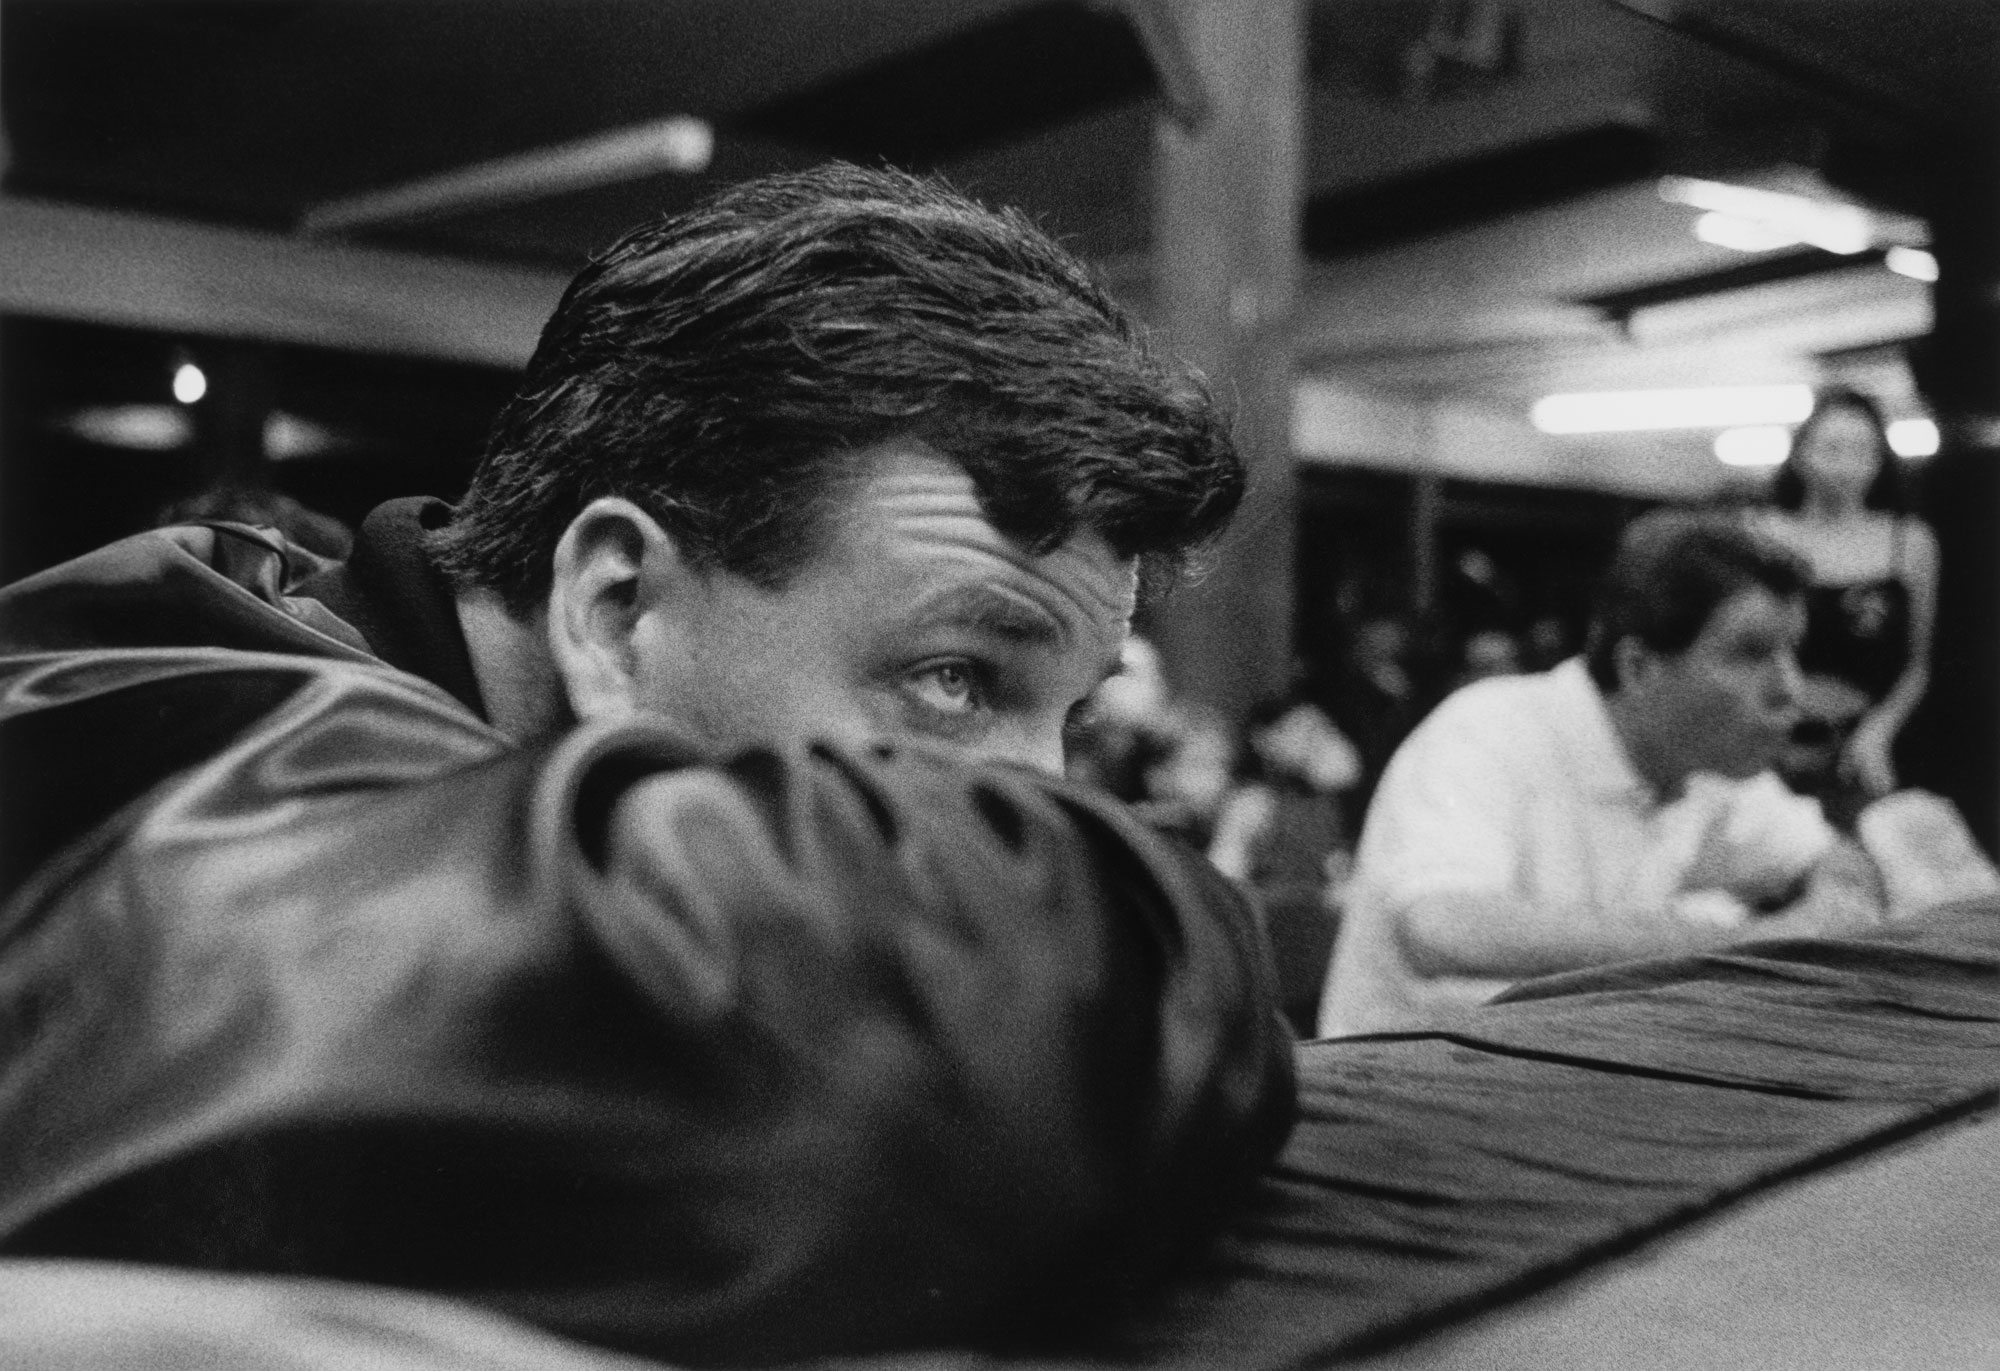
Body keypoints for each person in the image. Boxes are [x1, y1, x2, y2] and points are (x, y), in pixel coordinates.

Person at [0, 166, 1293, 1364]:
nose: (1041, 796)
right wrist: (1161, 922)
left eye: (1070, 715)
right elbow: (946, 1016)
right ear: (617, 609)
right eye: (955, 677)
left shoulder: (289, 661)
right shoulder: (184, 717)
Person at [1316, 509, 1888, 1038]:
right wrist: (1745, 945)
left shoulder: (1713, 767)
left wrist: (1831, 904)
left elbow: (1835, 859)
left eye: (1792, 652)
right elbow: (1443, 928)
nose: (1790, 688)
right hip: (1399, 1096)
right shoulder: (1487, 728)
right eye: (1751, 653)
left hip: (1567, 1081)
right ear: (1638, 666)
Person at [1749, 385, 1938, 804]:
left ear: (1880, 460)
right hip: (1778, 742)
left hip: (1870, 745)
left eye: (1863, 451)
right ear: (1800, 455)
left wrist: (1879, 730)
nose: (1847, 466)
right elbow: (1748, 649)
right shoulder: (1762, 534)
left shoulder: (1909, 540)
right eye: (1831, 449)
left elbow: (1919, 665)